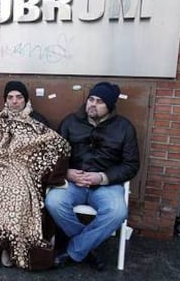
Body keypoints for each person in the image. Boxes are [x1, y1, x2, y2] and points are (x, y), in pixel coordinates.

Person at [0, 81, 71, 270]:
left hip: (24, 169)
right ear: (5, 100)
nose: (14, 101)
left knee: (17, 193)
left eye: (19, 97)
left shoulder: (37, 121)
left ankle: (10, 247)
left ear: (26, 99)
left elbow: (53, 146)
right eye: (10, 97)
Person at [45, 82, 140, 271]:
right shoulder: (70, 122)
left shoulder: (124, 128)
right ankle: (87, 248)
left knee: (117, 212)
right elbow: (53, 156)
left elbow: (131, 165)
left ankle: (75, 250)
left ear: (110, 106)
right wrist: (67, 172)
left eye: (100, 102)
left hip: (106, 184)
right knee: (53, 202)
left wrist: (102, 177)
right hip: (73, 182)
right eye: (91, 99)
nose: (93, 105)